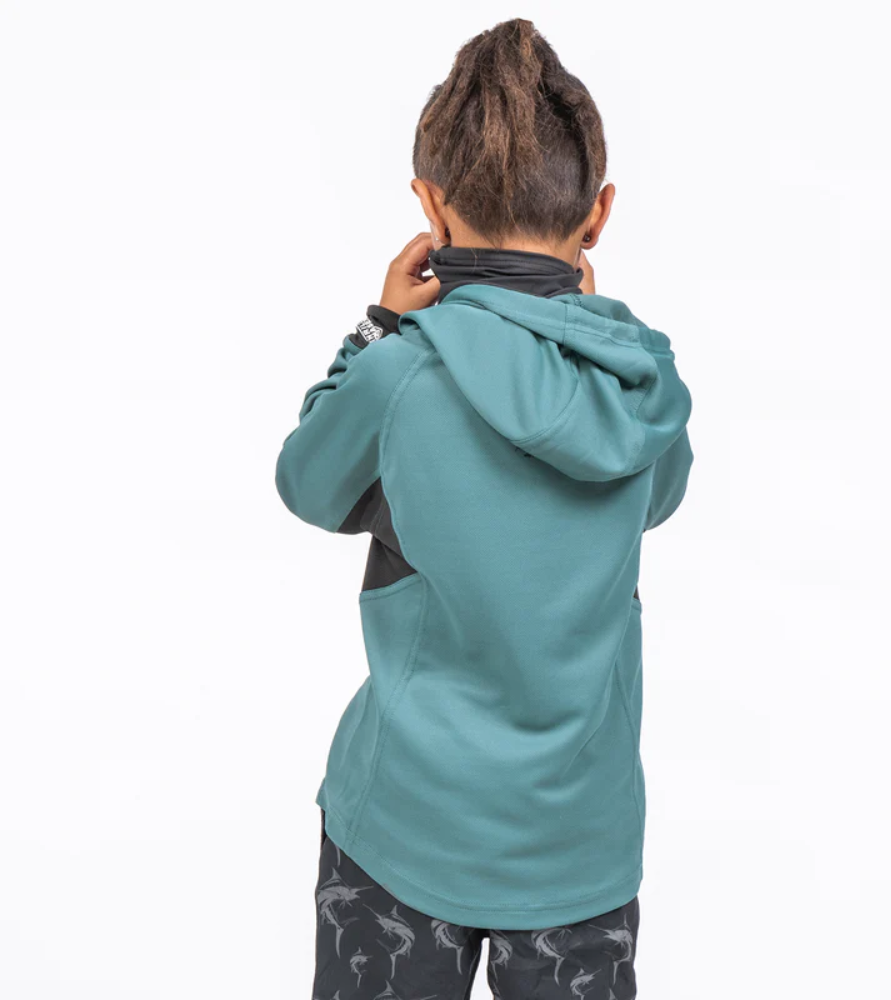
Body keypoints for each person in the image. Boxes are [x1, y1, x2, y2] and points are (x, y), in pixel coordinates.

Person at [275, 17, 694, 1000]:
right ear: (597, 216)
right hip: (579, 845)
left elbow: (308, 483)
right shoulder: (640, 387)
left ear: (429, 205)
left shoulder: (399, 376)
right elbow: (658, 497)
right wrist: (583, 327)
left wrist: (378, 327)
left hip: (405, 827)